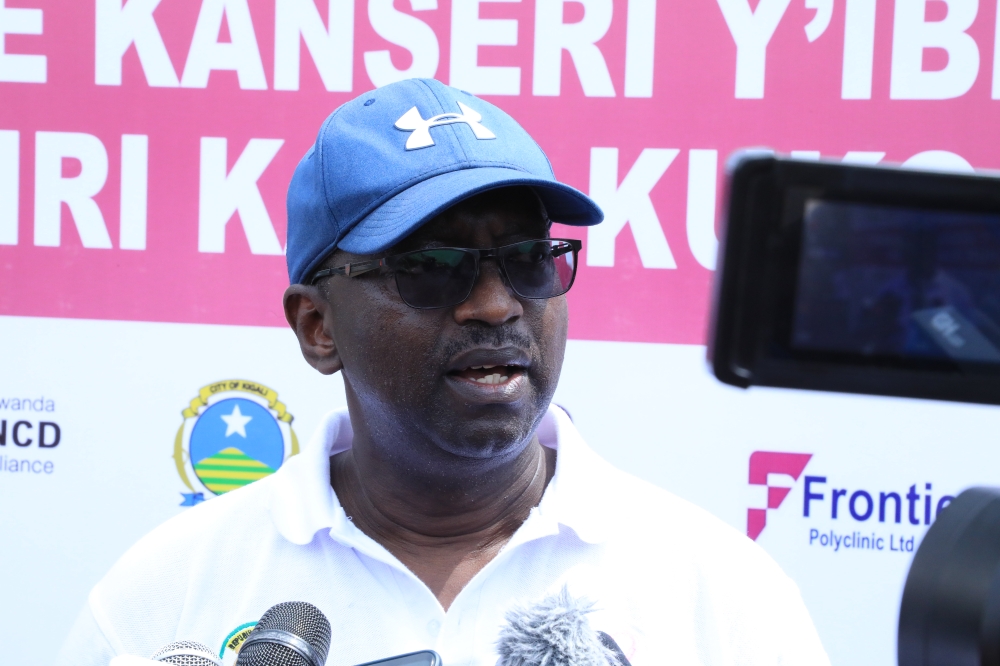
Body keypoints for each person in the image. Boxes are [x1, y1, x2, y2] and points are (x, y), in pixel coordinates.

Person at [57, 79, 829, 666]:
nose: (495, 305)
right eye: (430, 266)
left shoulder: (719, 593)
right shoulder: (169, 595)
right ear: (318, 327)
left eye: (530, 257)